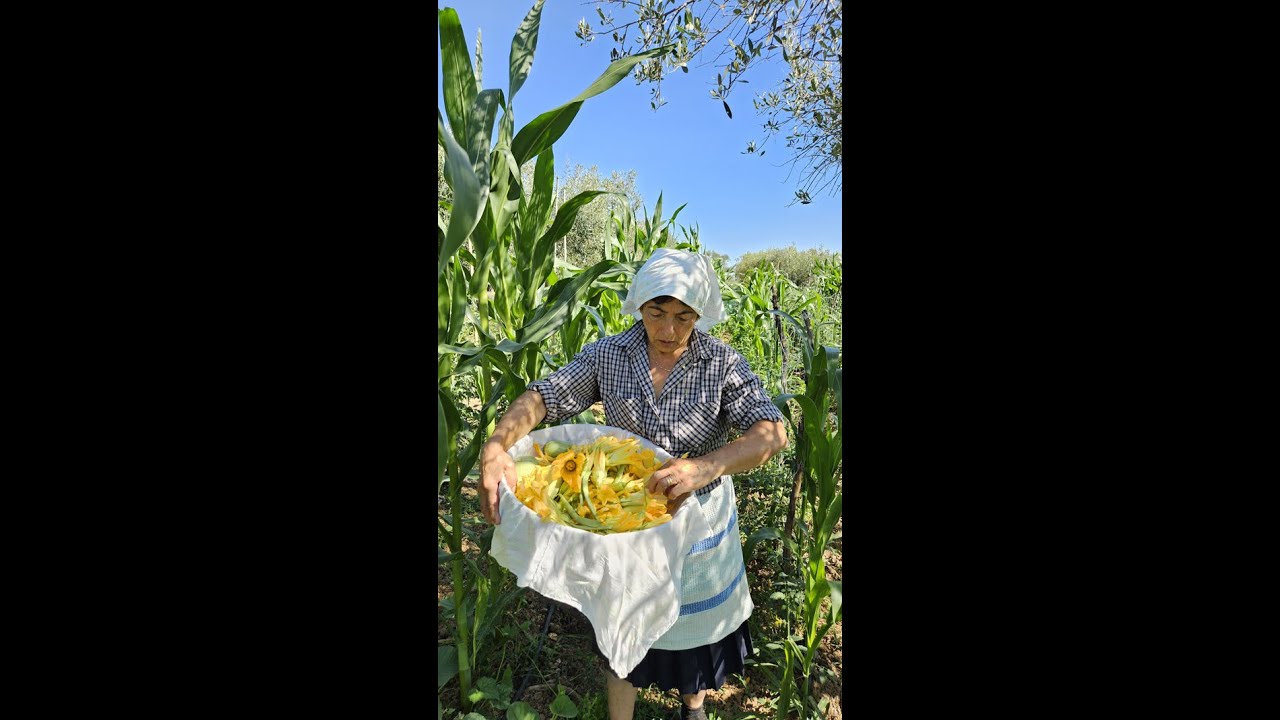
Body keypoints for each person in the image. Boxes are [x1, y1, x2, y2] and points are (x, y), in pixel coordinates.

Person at [479, 248, 788, 720]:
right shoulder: (609, 354)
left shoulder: (722, 363)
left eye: (684, 317)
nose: (667, 331)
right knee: (622, 621)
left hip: (696, 518)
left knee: (693, 630)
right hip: (621, 522)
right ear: (639, 307)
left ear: (700, 313)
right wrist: (498, 444)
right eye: (656, 313)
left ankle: (694, 705)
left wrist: (704, 467)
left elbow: (771, 431)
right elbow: (547, 397)